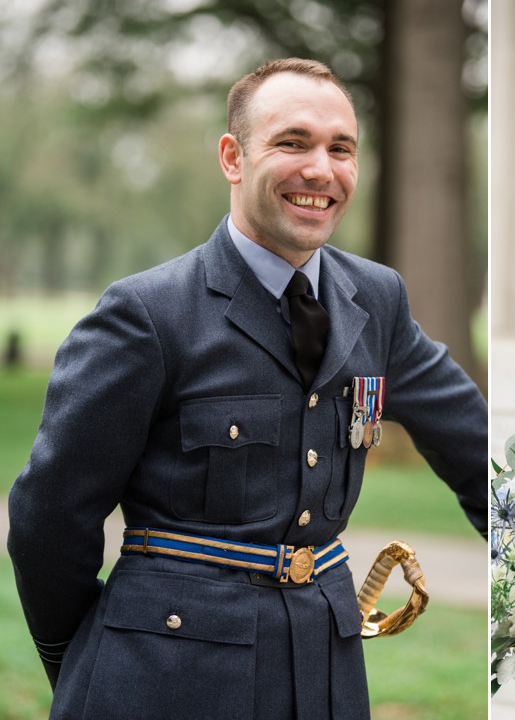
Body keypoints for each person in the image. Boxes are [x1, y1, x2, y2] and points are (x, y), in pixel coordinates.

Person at [7, 58, 488, 720]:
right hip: (165, 683)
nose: (321, 169)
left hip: (324, 676)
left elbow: (480, 454)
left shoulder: (377, 300)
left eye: (340, 149)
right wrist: (89, 656)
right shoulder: (147, 314)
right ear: (233, 157)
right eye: (293, 142)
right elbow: (47, 523)